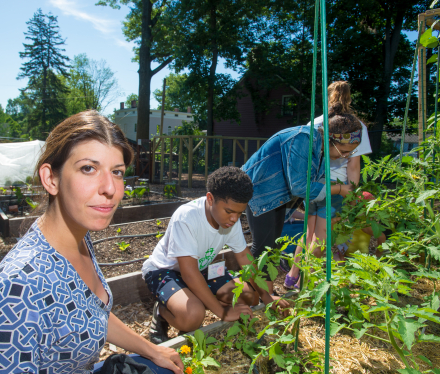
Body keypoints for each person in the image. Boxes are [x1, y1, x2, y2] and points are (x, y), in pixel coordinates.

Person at [0, 111, 183, 374]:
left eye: (117, 172)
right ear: (51, 178)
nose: (110, 188)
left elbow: (92, 313)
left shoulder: (78, 237)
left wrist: (152, 349)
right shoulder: (16, 289)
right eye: (88, 168)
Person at [141, 166, 290, 344]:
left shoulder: (230, 220)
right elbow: (188, 273)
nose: (235, 219)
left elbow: (245, 258)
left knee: (251, 297)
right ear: (210, 199)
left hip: (200, 269)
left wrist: (267, 297)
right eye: (229, 211)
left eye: (240, 213)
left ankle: (195, 298)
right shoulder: (187, 217)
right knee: (193, 316)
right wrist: (222, 311)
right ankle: (162, 312)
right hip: (165, 271)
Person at [242, 103, 362, 294]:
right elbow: (299, 185)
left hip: (278, 195)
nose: (347, 157)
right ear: (333, 140)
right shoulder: (303, 139)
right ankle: (250, 294)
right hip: (260, 191)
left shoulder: (321, 149)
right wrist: (339, 189)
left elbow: (314, 180)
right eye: (345, 151)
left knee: (272, 246)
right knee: (263, 246)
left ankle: (265, 294)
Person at [284, 81, 372, 289]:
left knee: (308, 233)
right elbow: (353, 165)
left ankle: (292, 275)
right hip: (337, 187)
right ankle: (308, 281)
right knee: (322, 238)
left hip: (313, 185)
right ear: (349, 99)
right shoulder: (356, 127)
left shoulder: (314, 123)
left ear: (328, 97)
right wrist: (351, 193)